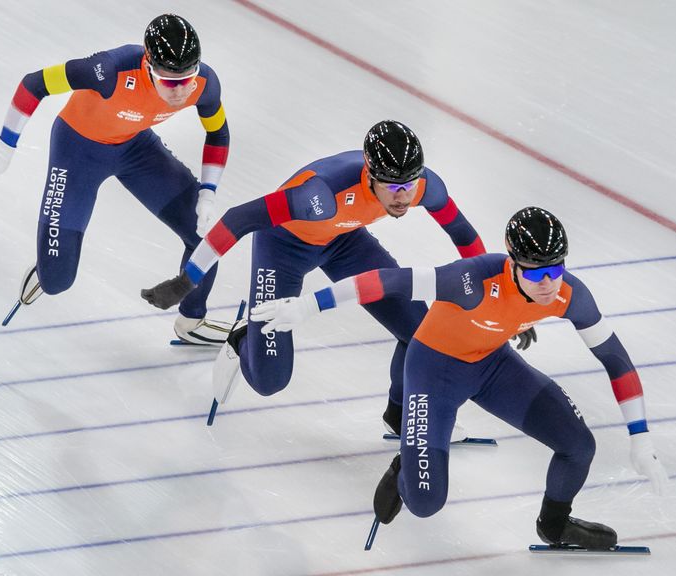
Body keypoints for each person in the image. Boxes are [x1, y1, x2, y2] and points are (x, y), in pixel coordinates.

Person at [248, 207, 669, 549]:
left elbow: (615, 359)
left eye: (555, 270)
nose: (548, 284)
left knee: (579, 446)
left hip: (492, 365)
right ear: (512, 262)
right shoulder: (471, 280)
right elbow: (384, 281)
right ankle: (407, 465)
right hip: (434, 371)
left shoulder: (568, 293)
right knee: (426, 502)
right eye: (537, 274)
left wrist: (641, 437)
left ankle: (555, 525)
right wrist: (308, 306)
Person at [141, 120, 498, 430]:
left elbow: (463, 235)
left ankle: (400, 414)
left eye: (409, 185)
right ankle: (243, 339)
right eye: (392, 186)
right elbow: (238, 218)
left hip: (343, 239)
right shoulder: (321, 195)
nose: (403, 197)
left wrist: (496, 290)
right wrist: (186, 281)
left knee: (422, 331)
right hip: (283, 247)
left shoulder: (423, 186)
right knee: (270, 382)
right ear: (370, 175)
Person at [0, 14, 231, 344]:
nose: (178, 92)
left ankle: (192, 323)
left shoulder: (205, 83)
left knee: (207, 234)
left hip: (135, 147)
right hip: (78, 150)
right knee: (57, 280)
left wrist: (208, 192)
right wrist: (3, 149)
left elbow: (217, 133)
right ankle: (49, 266)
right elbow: (34, 83)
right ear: (147, 66)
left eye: (186, 81)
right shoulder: (108, 70)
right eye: (168, 82)